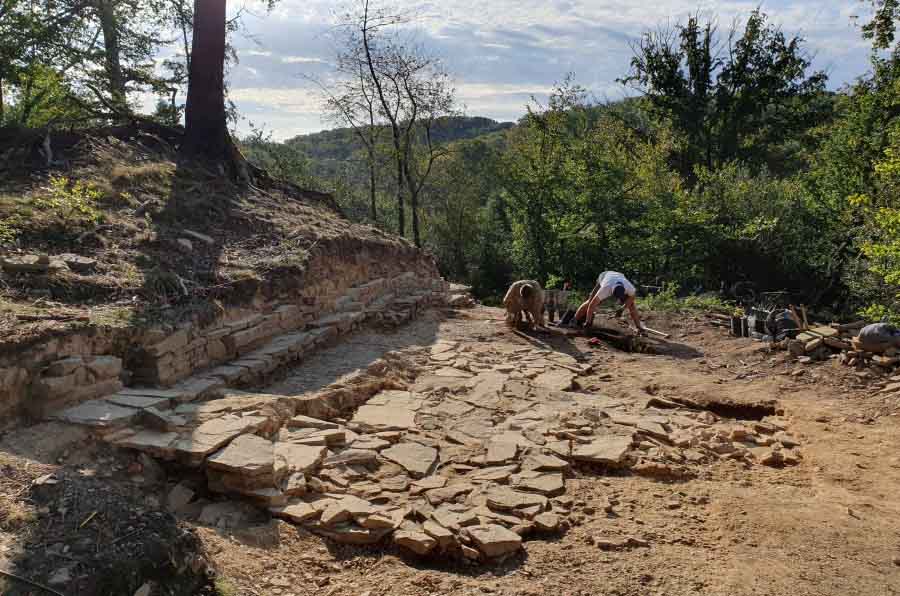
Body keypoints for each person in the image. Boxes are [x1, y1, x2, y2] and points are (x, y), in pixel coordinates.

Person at [573, 271, 645, 332]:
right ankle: (574, 320)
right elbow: (592, 305)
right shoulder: (605, 288)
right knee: (590, 301)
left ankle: (639, 327)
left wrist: (622, 309)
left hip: (618, 276)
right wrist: (588, 322)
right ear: (612, 293)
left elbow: (632, 298)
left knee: (631, 305)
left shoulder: (629, 288)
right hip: (604, 276)